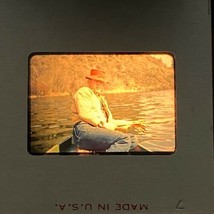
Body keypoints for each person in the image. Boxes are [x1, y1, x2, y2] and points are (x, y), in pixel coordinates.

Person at [71, 69, 146, 152]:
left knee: (132, 139)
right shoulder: (84, 91)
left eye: (101, 83)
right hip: (83, 130)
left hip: (97, 129)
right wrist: (102, 125)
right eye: (96, 81)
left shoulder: (102, 100)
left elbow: (111, 121)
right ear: (89, 82)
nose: (99, 85)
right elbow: (84, 114)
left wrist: (132, 123)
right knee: (124, 139)